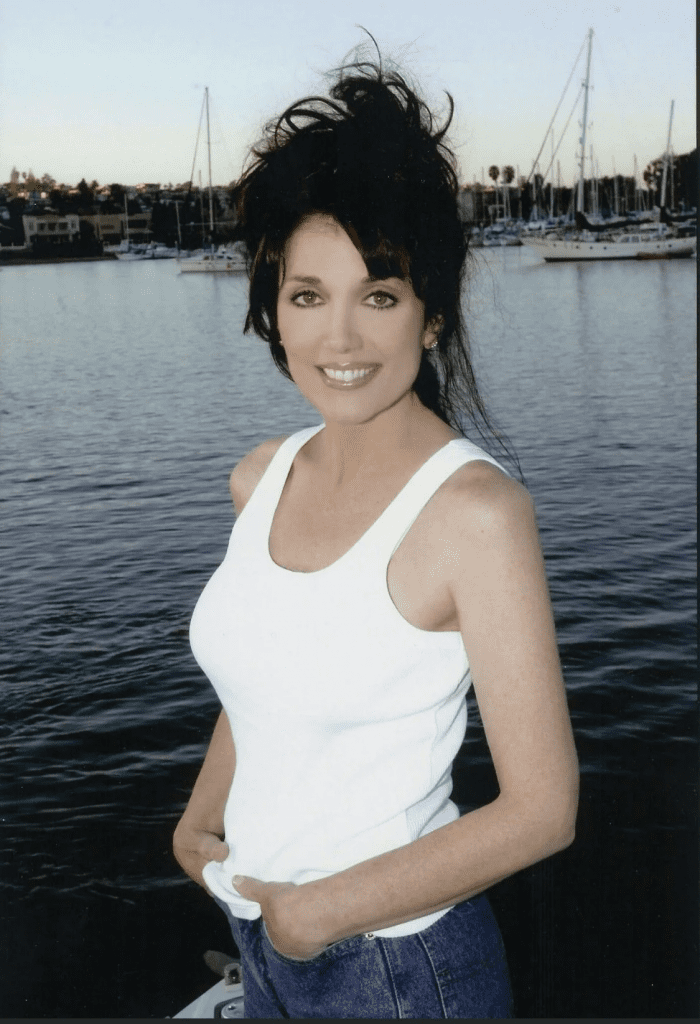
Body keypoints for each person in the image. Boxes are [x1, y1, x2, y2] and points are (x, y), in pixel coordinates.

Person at [174, 51, 579, 1019]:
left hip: (397, 967)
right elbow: (265, 680)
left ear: (431, 316)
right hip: (261, 932)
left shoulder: (473, 515)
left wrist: (317, 915)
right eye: (309, 296)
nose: (341, 339)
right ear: (273, 313)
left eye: (381, 295)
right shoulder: (260, 478)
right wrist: (198, 819)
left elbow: (543, 811)